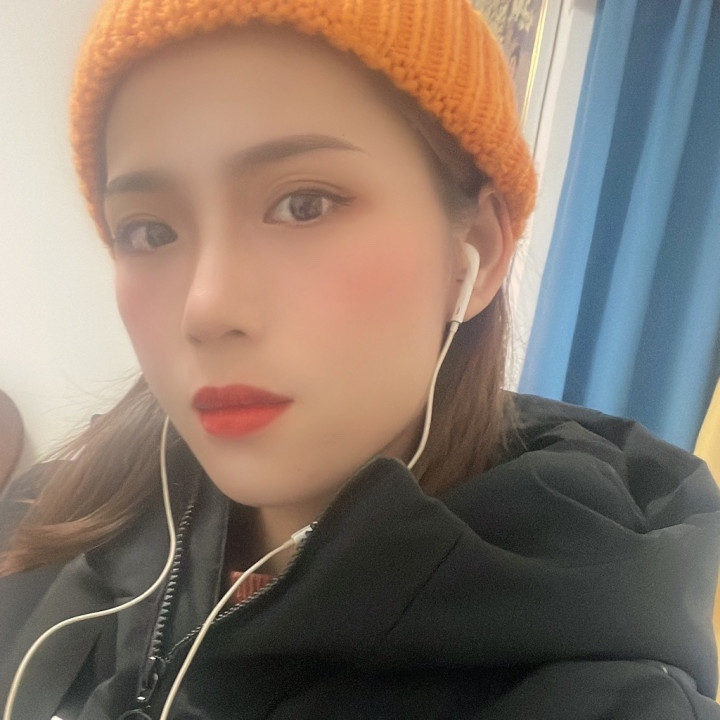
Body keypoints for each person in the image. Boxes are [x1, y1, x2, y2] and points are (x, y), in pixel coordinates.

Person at [1, 1, 719, 718]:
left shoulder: (606, 696)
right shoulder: (49, 519)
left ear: (476, 252)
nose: (206, 310)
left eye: (304, 204)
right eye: (149, 231)